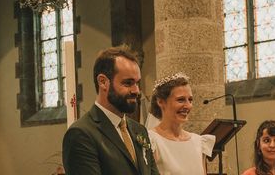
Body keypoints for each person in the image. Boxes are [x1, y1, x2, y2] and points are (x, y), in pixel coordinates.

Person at [62, 45, 159, 175]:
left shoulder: (139, 131)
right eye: (128, 83)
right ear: (103, 82)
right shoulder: (81, 134)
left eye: (137, 83)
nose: (136, 90)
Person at [147, 72, 215, 175]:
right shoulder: (152, 141)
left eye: (190, 100)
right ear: (161, 102)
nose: (188, 106)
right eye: (181, 100)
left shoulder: (199, 142)